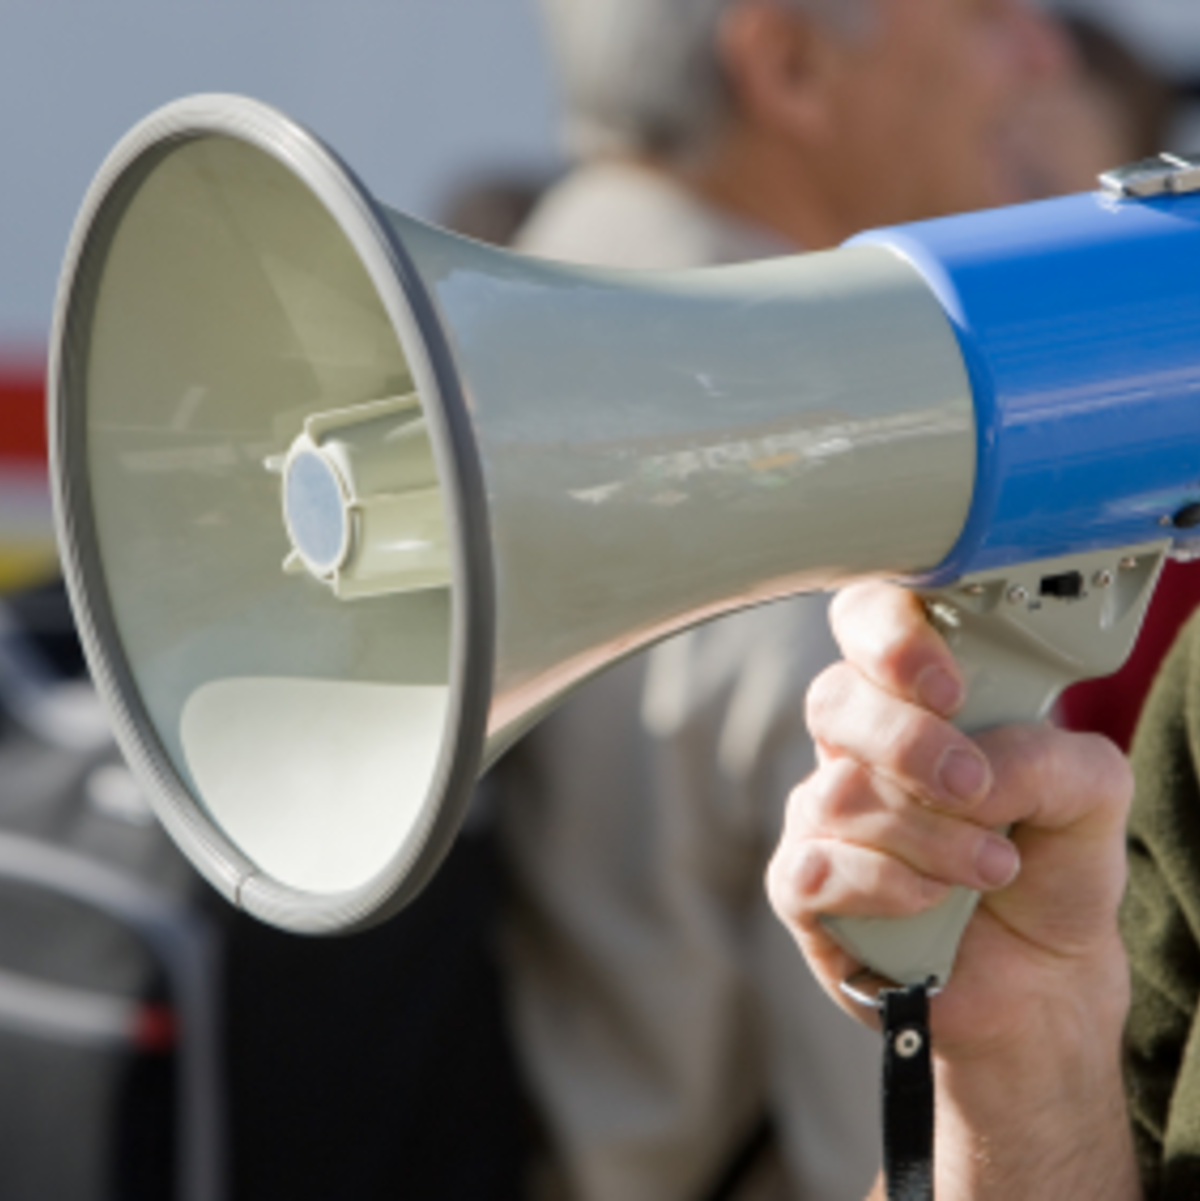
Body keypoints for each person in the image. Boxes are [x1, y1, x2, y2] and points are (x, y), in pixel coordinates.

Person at [496, 2, 1071, 1198]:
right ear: (789, 65)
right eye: (988, 12)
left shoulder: (495, 334)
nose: (1044, 51)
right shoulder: (857, 520)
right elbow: (909, 1159)